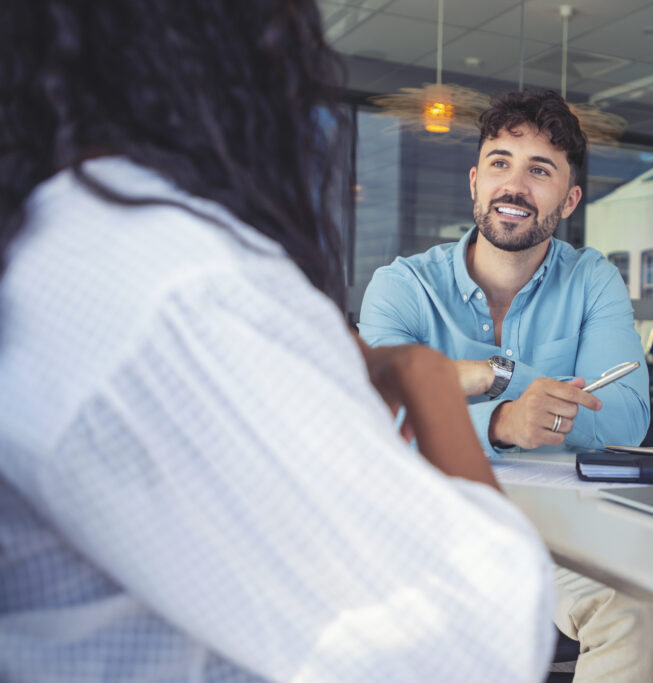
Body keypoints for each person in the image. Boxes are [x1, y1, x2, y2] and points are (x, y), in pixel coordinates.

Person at [0, 3, 555, 681]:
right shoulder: (182, 284)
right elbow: (476, 638)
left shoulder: (59, 243)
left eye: (540, 169)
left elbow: (619, 413)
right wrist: (433, 385)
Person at [359, 90, 653, 683]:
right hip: (426, 524)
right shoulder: (402, 287)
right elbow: (366, 422)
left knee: (638, 604)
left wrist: (489, 378)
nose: (515, 186)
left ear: (570, 198)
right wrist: (502, 420)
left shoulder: (592, 280)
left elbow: (628, 416)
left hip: (562, 531)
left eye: (540, 170)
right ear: (475, 181)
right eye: (501, 163)